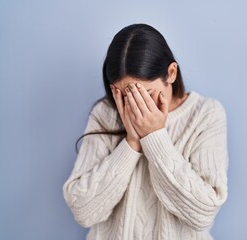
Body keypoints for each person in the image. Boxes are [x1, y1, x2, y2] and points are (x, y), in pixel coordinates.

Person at [62, 23, 229, 240]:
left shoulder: (206, 114)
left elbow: (202, 213)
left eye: (145, 94)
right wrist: (131, 143)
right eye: (124, 96)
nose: (135, 106)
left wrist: (154, 136)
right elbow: (83, 211)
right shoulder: (106, 113)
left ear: (171, 73)